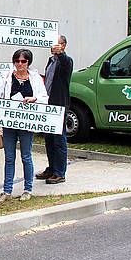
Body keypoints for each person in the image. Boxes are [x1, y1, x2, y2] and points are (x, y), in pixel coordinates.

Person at [0, 49, 48, 202]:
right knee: (9, 157)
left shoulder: (36, 78)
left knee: (26, 156)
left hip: (26, 123)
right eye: (17, 61)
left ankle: (28, 189)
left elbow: (44, 97)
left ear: (28, 62)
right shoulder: (7, 76)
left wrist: (34, 98)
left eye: (23, 61)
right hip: (9, 123)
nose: (20, 64)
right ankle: (7, 190)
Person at [36, 35, 73, 184]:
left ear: (63, 45)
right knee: (49, 139)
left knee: (59, 139)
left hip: (59, 104)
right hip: (47, 104)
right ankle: (51, 168)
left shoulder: (66, 60)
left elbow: (65, 64)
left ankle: (60, 172)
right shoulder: (50, 61)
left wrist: (61, 54)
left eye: (58, 44)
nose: (54, 47)